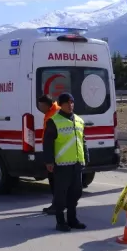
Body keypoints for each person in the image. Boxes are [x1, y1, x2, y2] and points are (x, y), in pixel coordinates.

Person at [43, 93, 88, 232]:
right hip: (61, 164)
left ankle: (72, 219)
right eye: (67, 103)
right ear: (61, 105)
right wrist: (49, 161)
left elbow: (83, 141)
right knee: (61, 195)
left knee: (76, 192)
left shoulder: (79, 120)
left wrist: (86, 157)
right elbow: (48, 143)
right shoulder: (54, 121)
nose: (70, 105)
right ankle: (60, 222)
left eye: (72, 102)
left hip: (76, 163)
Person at [37, 95, 60, 215]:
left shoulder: (54, 114)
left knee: (55, 181)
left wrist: (49, 158)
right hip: (57, 152)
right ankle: (57, 204)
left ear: (47, 105)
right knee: (55, 181)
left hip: (56, 153)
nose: (40, 108)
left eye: (41, 106)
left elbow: (50, 138)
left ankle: (57, 206)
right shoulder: (52, 112)